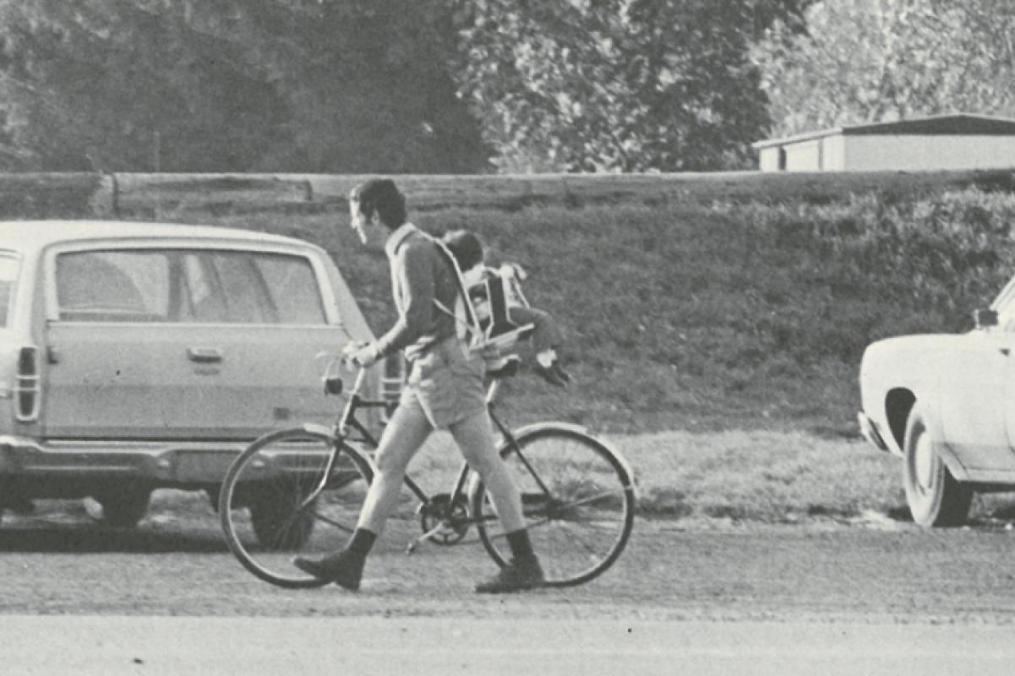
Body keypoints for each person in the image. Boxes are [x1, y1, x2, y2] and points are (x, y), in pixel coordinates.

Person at [293, 179, 545, 594]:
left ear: (374, 215)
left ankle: (525, 561)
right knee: (389, 460)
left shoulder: (411, 252)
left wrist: (373, 352)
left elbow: (415, 320)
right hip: (428, 370)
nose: (354, 224)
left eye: (356, 215)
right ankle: (351, 561)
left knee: (486, 463)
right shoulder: (412, 248)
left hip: (446, 369)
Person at [442, 229, 570, 387]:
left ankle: (551, 364)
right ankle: (546, 364)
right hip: (498, 319)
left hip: (479, 325)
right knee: (542, 320)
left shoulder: (457, 278)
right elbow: (498, 279)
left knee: (541, 323)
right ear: (476, 253)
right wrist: (510, 270)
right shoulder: (479, 273)